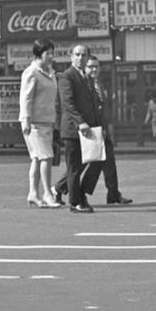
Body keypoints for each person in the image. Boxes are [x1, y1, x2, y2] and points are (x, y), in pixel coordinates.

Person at [80, 55, 133, 205]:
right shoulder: (83, 85)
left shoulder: (100, 85)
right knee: (83, 164)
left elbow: (105, 108)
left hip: (102, 129)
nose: (94, 69)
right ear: (84, 68)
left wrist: (107, 128)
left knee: (109, 162)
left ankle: (113, 194)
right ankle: (60, 188)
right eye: (90, 66)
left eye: (96, 66)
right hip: (90, 129)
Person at [56, 44, 101, 213]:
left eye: (83, 55)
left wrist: (97, 126)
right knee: (74, 167)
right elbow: (68, 103)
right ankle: (75, 202)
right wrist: (80, 122)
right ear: (71, 56)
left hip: (90, 129)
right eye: (77, 54)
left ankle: (81, 194)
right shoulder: (66, 76)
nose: (80, 58)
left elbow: (93, 104)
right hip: (73, 129)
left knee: (96, 161)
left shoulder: (87, 77)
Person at [19, 39, 60, 207]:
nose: (50, 56)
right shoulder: (31, 73)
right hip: (34, 122)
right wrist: (27, 120)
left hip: (47, 120)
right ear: (38, 54)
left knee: (37, 158)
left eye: (52, 53)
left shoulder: (50, 72)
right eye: (47, 53)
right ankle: (48, 194)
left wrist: (55, 120)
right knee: (46, 157)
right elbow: (26, 98)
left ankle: (33, 193)